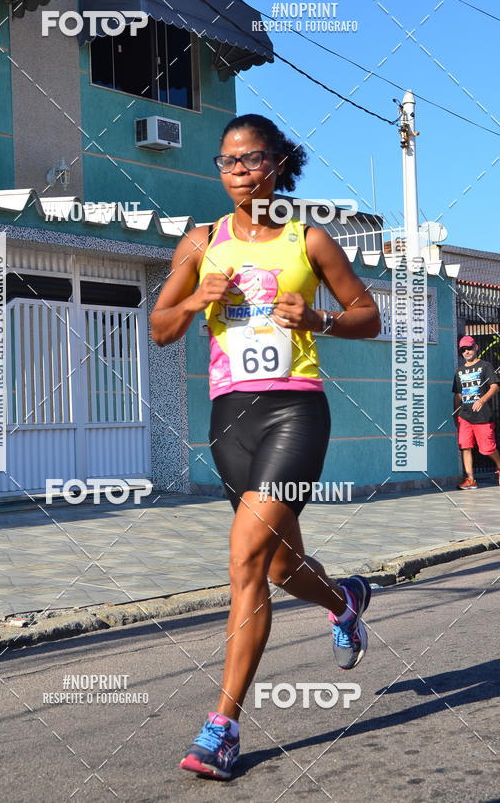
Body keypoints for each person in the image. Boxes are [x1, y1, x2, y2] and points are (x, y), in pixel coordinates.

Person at [150, 113, 381, 781]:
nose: (240, 171)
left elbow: (368, 315)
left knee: (245, 559)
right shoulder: (201, 242)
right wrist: (193, 300)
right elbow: (160, 327)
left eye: (252, 158)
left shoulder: (309, 239)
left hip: (295, 411)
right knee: (280, 569)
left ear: (279, 163)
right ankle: (344, 601)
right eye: (228, 161)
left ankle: (221, 729)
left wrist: (321, 319)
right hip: (230, 419)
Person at [453, 335, 500, 488]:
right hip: (464, 416)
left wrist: (482, 400)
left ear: (476, 347)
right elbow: (458, 395)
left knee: (487, 449)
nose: (466, 351)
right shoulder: (459, 371)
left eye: (469, 348)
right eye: (463, 350)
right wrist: (455, 414)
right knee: (465, 446)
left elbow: (495, 387)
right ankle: (470, 479)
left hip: (483, 416)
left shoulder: (485, 366)